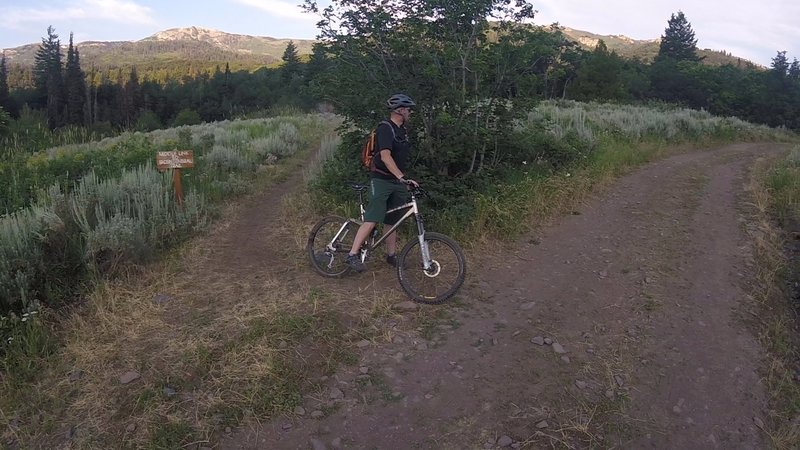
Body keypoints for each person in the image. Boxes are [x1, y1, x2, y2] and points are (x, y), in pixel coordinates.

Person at [346, 93, 419, 272]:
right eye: (408, 110)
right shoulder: (385, 128)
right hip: (381, 180)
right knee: (372, 218)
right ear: (400, 110)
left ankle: (391, 256)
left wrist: (404, 179)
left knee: (392, 221)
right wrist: (402, 177)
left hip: (396, 181)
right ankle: (352, 254)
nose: (410, 113)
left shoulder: (402, 130)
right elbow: (386, 157)